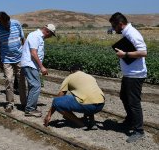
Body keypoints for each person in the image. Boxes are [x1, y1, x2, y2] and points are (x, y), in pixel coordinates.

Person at [109, 12, 147, 143]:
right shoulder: (127, 33)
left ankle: (139, 130)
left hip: (135, 74)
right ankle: (130, 121)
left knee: (134, 102)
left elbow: (143, 52)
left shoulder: (132, 33)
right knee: (124, 97)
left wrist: (124, 54)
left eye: (114, 26)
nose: (113, 29)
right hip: (129, 73)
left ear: (120, 24)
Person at [44, 64, 105, 129]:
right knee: (86, 97)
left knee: (56, 101)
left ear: (71, 71)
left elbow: (59, 97)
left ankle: (80, 123)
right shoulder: (90, 76)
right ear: (81, 70)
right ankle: (92, 122)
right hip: (101, 104)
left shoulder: (70, 77)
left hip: (88, 105)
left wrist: (49, 115)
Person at [0, 11, 27, 112]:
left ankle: (24, 103)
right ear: (0, 23)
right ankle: (10, 103)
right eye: (4, 24)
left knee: (21, 80)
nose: (6, 25)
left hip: (19, 57)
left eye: (7, 22)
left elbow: (23, 40)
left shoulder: (16, 23)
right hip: (6, 59)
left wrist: (25, 55)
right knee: (8, 80)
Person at [21, 24, 56, 117]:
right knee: (36, 86)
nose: (50, 37)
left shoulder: (38, 37)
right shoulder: (35, 35)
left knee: (32, 86)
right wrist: (42, 67)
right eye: (51, 34)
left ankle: (29, 106)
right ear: (47, 31)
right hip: (30, 64)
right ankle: (30, 109)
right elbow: (33, 52)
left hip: (31, 65)